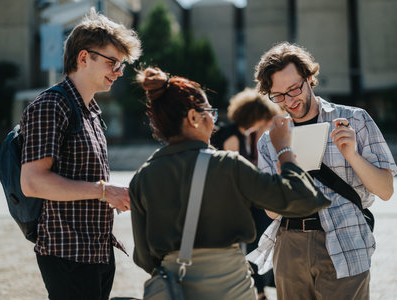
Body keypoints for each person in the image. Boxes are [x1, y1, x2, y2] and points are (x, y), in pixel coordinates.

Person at [129, 66, 331, 300]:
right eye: (210, 113)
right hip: (230, 286)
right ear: (194, 118)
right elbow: (302, 200)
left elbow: (143, 258)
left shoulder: (143, 176)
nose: (214, 123)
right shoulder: (226, 165)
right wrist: (284, 149)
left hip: (176, 288)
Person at [247, 42, 397, 300]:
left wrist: (351, 154)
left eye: (294, 88)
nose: (290, 100)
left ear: (309, 78)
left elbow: (385, 191)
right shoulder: (269, 139)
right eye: (279, 95)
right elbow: (271, 211)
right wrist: (284, 158)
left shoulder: (356, 119)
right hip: (290, 243)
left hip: (346, 238)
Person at [19, 8, 141, 300]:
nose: (119, 72)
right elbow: (33, 182)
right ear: (84, 58)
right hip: (67, 253)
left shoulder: (92, 112)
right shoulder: (51, 105)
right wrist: (104, 191)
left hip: (97, 249)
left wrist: (111, 195)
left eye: (122, 64)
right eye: (113, 62)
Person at [210, 88, 280, 300]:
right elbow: (233, 171)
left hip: (243, 201)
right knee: (255, 239)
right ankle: (258, 290)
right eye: (264, 118)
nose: (267, 122)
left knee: (259, 237)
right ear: (254, 116)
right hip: (234, 203)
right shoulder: (232, 135)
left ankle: (259, 288)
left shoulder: (242, 134)